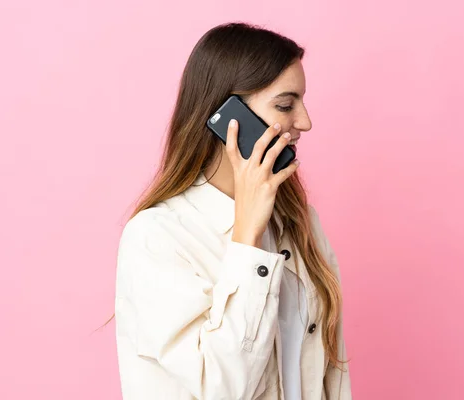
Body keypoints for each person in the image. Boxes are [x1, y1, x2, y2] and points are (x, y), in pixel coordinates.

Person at [112, 22, 352, 399]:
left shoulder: (299, 222)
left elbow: (330, 377)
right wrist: (246, 242)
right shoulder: (157, 236)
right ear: (228, 114)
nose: (305, 122)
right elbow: (220, 389)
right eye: (286, 105)